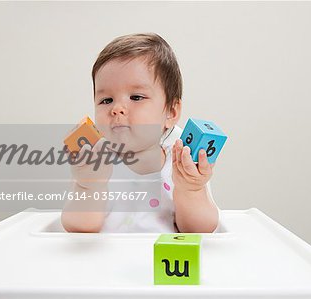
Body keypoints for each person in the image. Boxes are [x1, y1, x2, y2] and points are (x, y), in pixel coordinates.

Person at [61, 33, 219, 233]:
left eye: (136, 97)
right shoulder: (94, 161)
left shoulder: (182, 159)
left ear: (171, 112)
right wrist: (88, 186)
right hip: (105, 260)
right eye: (106, 100)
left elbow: (200, 230)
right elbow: (78, 228)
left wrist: (191, 190)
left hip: (162, 261)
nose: (117, 108)